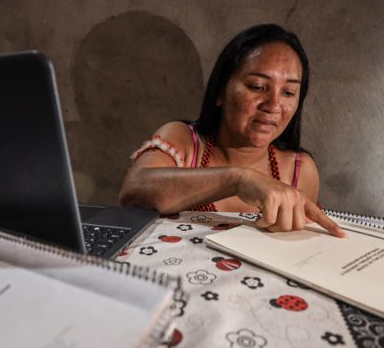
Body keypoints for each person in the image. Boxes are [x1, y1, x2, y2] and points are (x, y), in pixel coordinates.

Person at [119, 24, 345, 237]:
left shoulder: (299, 170)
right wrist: (238, 179)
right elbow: (133, 191)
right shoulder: (184, 141)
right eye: (257, 87)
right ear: (220, 91)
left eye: (288, 93)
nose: (273, 105)